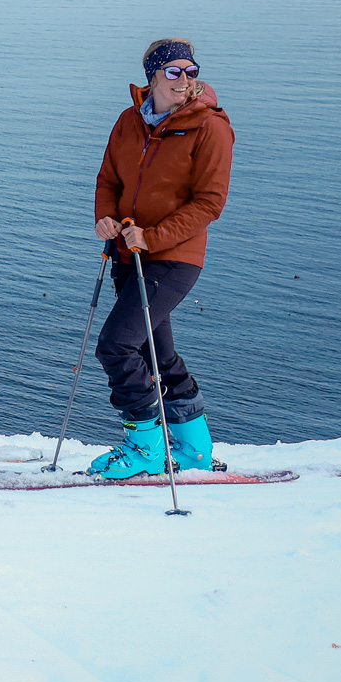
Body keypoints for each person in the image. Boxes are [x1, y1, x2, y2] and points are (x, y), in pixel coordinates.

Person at [89, 37, 235, 478]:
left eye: (191, 71)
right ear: (152, 76)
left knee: (116, 346)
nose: (184, 79)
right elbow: (108, 179)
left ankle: (147, 449)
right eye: (173, 71)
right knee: (158, 354)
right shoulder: (129, 121)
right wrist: (106, 218)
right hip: (126, 254)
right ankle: (195, 450)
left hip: (174, 257)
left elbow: (210, 202)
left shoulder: (210, 126)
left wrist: (152, 237)